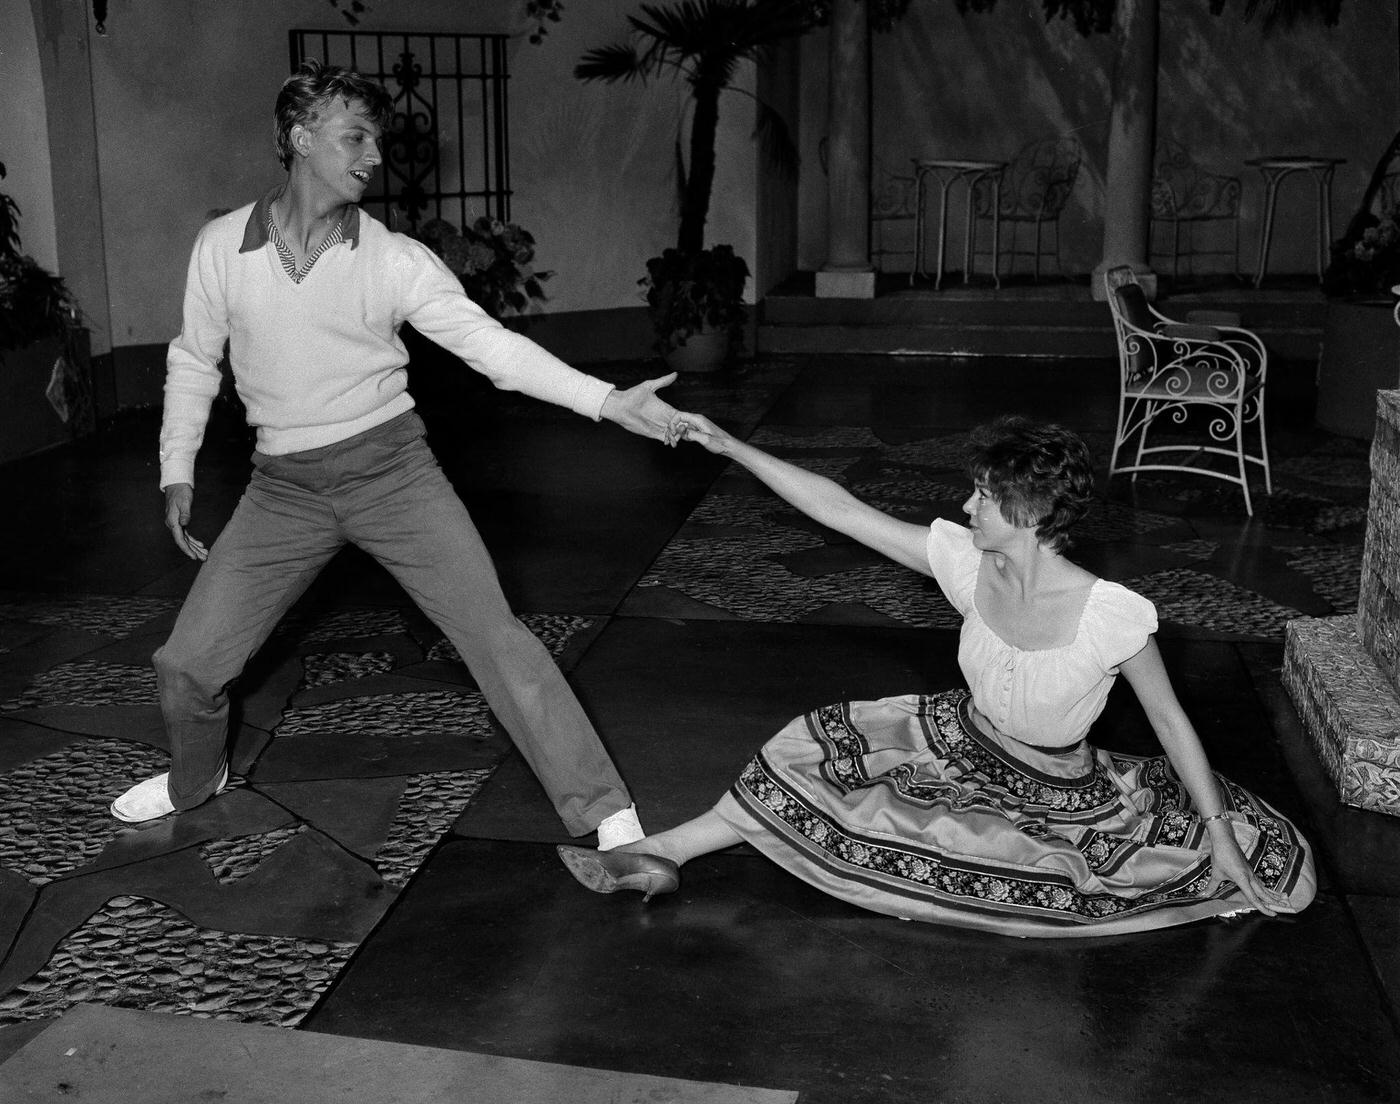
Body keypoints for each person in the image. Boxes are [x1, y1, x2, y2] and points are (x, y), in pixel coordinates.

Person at [110, 60, 675, 852]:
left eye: (377, 138)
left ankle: (603, 809)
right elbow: (194, 360)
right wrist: (177, 468)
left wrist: (609, 401)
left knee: (496, 637)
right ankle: (195, 780)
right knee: (187, 664)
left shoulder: (395, 258)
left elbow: (493, 349)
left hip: (392, 474)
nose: (374, 155)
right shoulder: (219, 248)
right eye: (357, 136)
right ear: (301, 137)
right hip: (283, 490)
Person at [557, 414, 1317, 936]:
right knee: (809, 747)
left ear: (1029, 509)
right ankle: (662, 852)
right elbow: (843, 511)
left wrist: (1217, 832)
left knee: (1034, 872)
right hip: (958, 741)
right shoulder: (966, 560)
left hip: (1057, 788)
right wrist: (730, 445)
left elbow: (1171, 722)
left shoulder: (1110, 615)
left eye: (984, 494)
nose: (966, 504)